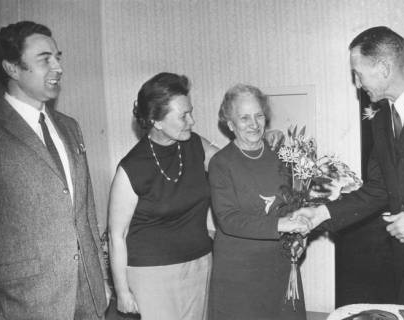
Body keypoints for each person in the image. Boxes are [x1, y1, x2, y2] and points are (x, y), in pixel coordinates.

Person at [293, 26, 404, 307]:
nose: (357, 84)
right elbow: (378, 189)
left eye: (358, 74)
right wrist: (319, 214)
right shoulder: (382, 119)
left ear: (383, 68)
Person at [108, 73, 283, 320]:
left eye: (190, 112)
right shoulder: (131, 168)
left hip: (200, 263)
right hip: (151, 271)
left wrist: (261, 139)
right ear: (156, 121)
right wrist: (122, 291)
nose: (192, 120)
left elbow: (233, 165)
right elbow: (117, 235)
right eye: (183, 116)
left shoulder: (194, 145)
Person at [0, 21, 110, 319]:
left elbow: (86, 212)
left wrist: (101, 282)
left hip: (88, 298)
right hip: (24, 304)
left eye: (57, 57)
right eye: (45, 59)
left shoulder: (70, 127)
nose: (58, 67)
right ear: (12, 68)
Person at [208, 84, 307, 320]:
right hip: (239, 271)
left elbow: (295, 202)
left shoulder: (282, 155)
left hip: (280, 264)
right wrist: (280, 225)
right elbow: (228, 220)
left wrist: (302, 233)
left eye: (258, 115)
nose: (254, 124)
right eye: (244, 118)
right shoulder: (221, 163)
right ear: (230, 124)